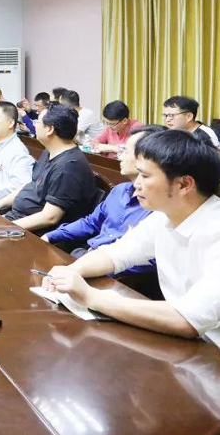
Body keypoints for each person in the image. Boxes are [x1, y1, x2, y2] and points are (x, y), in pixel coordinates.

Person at [42, 130, 220, 345]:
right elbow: (115, 254)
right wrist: (71, 271)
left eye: (145, 176)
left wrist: (90, 296)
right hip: (187, 343)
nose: (136, 184)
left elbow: (185, 320)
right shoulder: (163, 216)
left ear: (184, 185)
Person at [43, 125, 163, 265]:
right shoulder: (120, 190)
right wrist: (50, 236)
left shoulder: (159, 208)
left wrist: (96, 263)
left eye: (125, 151)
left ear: (146, 158)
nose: (120, 156)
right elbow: (91, 222)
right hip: (87, 255)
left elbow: (147, 260)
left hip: (114, 270)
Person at [0, 104, 97, 233]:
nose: (34, 125)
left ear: (49, 129)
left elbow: (50, 217)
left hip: (33, 233)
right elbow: (32, 184)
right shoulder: (50, 151)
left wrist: (5, 227)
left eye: (38, 122)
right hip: (15, 219)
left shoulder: (69, 166)